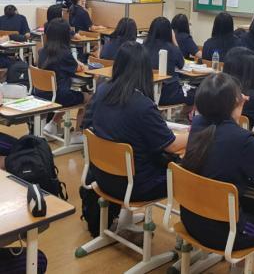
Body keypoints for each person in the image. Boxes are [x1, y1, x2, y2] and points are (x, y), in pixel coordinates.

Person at [181, 73, 254, 274]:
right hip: (225, 233)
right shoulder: (243, 140)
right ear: (236, 102)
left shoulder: (198, 126)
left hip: (191, 219)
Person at [83, 41, 187, 202]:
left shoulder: (102, 90)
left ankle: (124, 215)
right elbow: (171, 146)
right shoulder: (142, 105)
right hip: (135, 186)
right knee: (184, 174)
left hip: (102, 176)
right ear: (145, 70)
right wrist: (195, 133)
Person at [38, 18, 90, 143]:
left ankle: (52, 124)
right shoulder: (64, 53)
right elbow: (79, 68)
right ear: (65, 35)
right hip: (59, 96)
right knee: (89, 98)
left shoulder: (42, 51)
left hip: (41, 94)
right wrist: (79, 63)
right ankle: (78, 134)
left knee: (65, 94)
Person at [144, 17, 195, 106]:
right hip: (168, 94)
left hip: (147, 94)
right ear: (169, 32)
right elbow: (181, 64)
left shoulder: (142, 47)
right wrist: (174, 42)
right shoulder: (172, 49)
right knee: (196, 93)